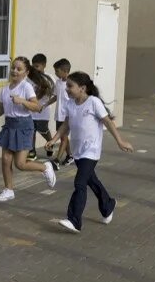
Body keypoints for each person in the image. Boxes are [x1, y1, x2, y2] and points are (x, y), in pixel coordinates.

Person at [47, 71, 134, 233]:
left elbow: (107, 122)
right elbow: (66, 125)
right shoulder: (70, 104)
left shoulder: (93, 102)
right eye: (66, 86)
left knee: (80, 183)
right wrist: (54, 139)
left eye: (70, 86)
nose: (67, 89)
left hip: (91, 151)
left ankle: (74, 220)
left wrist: (120, 141)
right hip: (78, 152)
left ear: (82, 88)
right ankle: (108, 204)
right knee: (92, 181)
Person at [0, 56, 57, 202]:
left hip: (23, 126)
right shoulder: (4, 89)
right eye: (13, 68)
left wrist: (22, 101)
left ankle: (45, 167)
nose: (15, 71)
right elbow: (1, 109)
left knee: (20, 164)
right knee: (5, 159)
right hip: (9, 126)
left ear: (26, 72)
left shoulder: (26, 87)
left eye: (19, 69)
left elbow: (36, 106)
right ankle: (8, 190)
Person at [28, 53, 57, 161]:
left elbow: (55, 95)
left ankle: (50, 143)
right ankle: (32, 151)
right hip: (31, 111)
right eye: (33, 66)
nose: (35, 69)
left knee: (43, 129)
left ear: (44, 65)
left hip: (42, 112)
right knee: (31, 130)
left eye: (37, 66)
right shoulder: (29, 79)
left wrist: (44, 105)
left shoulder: (50, 79)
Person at [52, 58, 74, 166]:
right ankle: (70, 156)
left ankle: (57, 159)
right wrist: (44, 104)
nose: (55, 73)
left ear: (65, 71)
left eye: (57, 71)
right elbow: (56, 97)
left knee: (64, 138)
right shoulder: (58, 82)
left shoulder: (71, 84)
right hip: (58, 115)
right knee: (63, 137)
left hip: (67, 116)